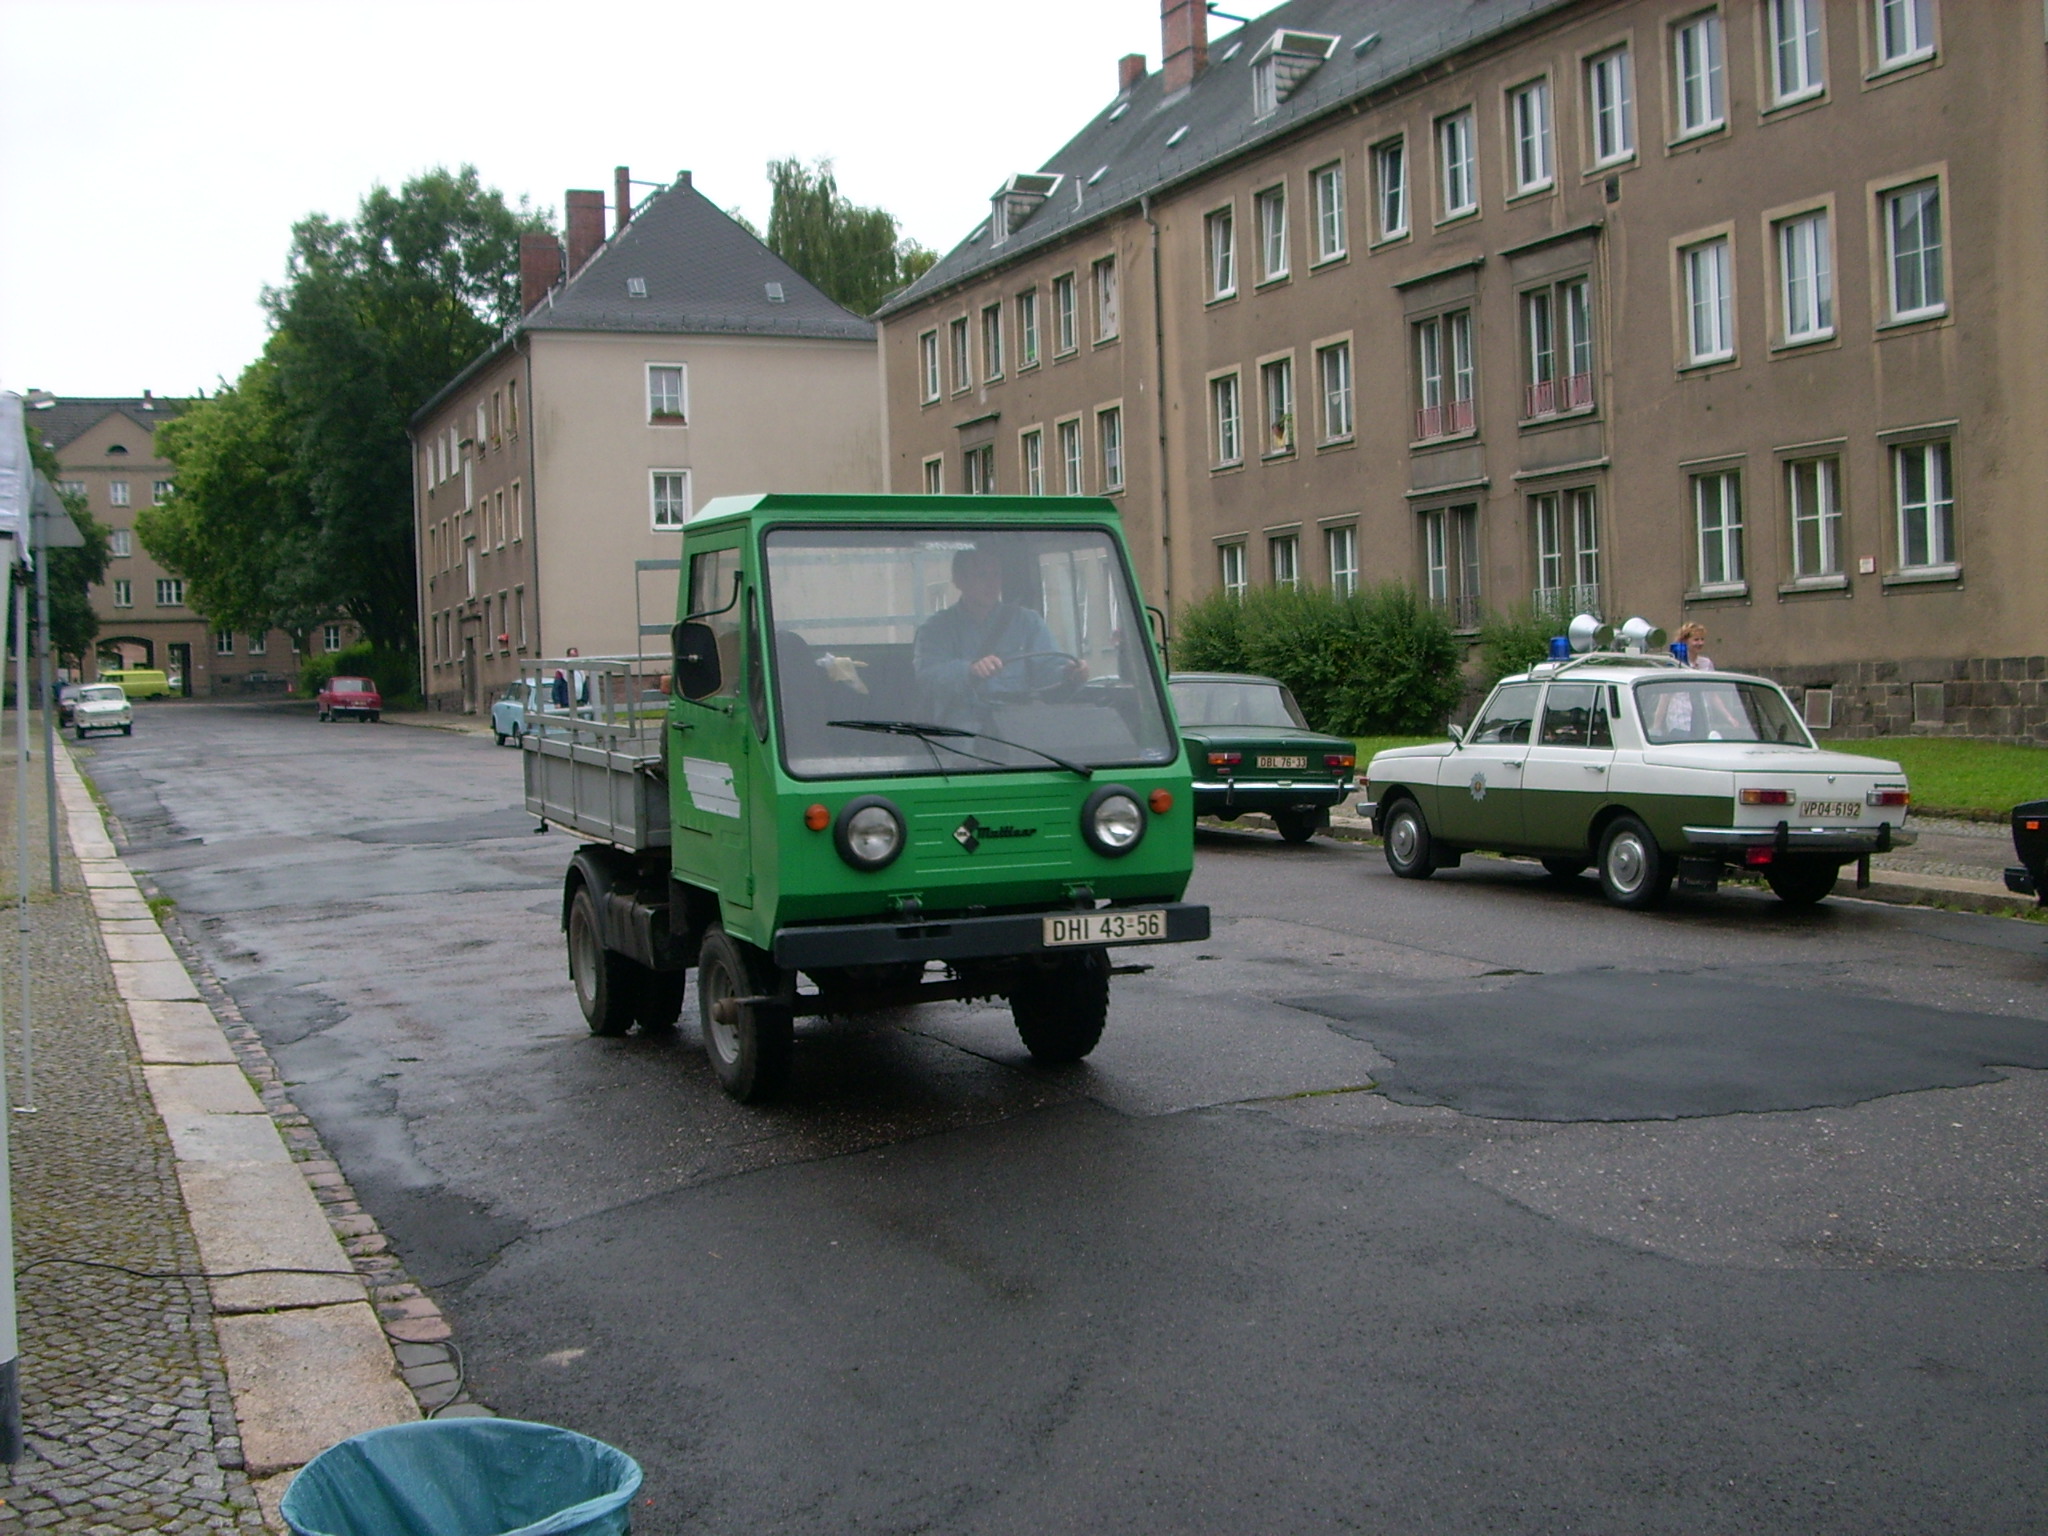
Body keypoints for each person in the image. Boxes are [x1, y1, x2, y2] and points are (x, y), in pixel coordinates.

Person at [914, 546, 1084, 724]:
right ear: (959, 580)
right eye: (982, 575)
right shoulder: (935, 629)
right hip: (960, 733)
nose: (992, 583)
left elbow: (1047, 672)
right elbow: (928, 678)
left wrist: (1069, 674)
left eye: (996, 575)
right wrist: (969, 671)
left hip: (1017, 728)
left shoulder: (1028, 622)